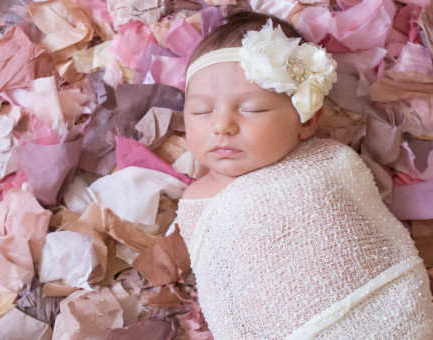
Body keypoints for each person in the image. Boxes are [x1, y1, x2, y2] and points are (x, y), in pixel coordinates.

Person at [176, 11, 433, 339]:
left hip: (378, 316)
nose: (221, 125)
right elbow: (218, 281)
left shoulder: (327, 164)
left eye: (252, 109)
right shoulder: (196, 201)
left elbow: (365, 231)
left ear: (307, 121)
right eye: (201, 111)